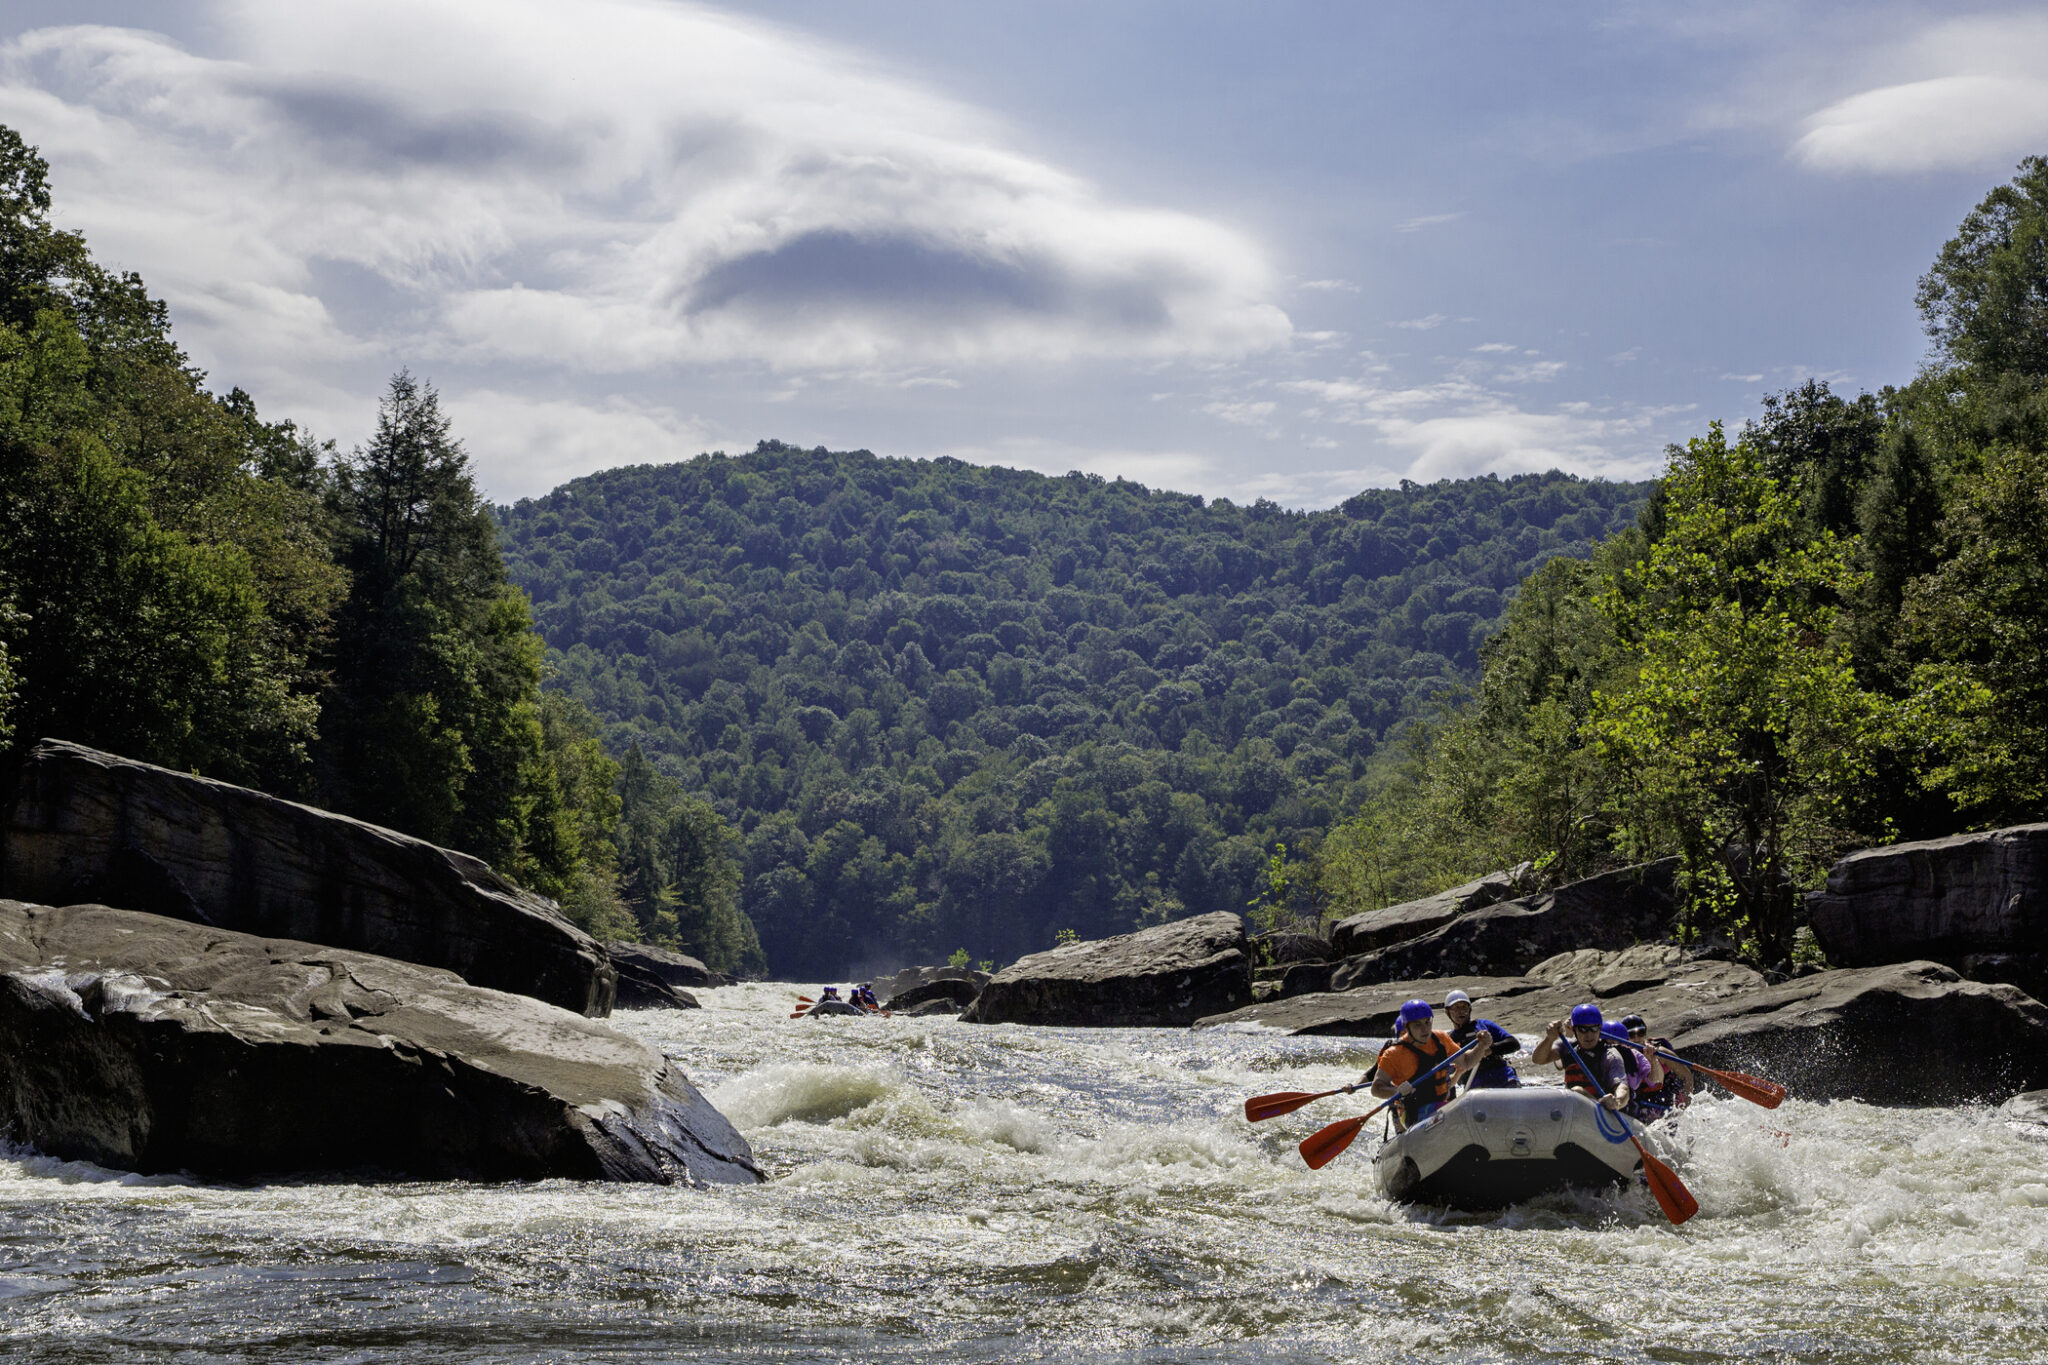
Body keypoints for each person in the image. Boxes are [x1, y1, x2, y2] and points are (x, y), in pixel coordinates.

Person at [1369, 999, 1490, 1130]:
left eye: (1427, 1022)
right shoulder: (1393, 1054)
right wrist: (1397, 1091)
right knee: (1454, 1113)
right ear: (1406, 1026)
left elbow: (1466, 1062)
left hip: (1441, 1104)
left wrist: (1481, 1046)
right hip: (1411, 1112)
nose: (1425, 1029)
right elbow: (1376, 1088)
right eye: (1417, 1025)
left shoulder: (1441, 1038)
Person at [1532, 1003, 1633, 1110]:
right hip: (1573, 1107)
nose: (1589, 1035)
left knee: (1577, 1091)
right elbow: (1538, 1059)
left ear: (1600, 1028)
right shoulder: (1567, 1047)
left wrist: (1617, 1102)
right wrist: (1550, 1038)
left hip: (1602, 1109)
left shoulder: (1610, 1055)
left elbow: (1622, 1087)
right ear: (1574, 1030)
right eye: (1583, 1029)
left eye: (1593, 1029)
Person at [1442, 988, 1521, 1089]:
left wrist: (1489, 1050)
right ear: (1447, 1012)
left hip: (1501, 1076)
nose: (1461, 1011)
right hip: (1474, 1083)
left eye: (1464, 1007)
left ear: (1469, 1009)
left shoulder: (1483, 1025)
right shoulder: (1449, 1039)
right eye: (1456, 1008)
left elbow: (1513, 1043)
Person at [1619, 1014, 1693, 1121]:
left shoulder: (1661, 1052)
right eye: (1631, 1034)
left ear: (1645, 1033)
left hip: (1668, 1101)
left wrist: (1685, 1107)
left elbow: (1687, 1077)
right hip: (1642, 1104)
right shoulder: (1621, 1056)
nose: (1636, 1038)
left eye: (1640, 1032)